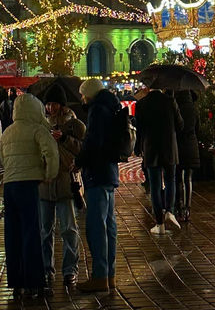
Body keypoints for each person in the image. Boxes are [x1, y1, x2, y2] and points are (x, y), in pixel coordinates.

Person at [0, 92, 59, 298]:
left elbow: (2, 158)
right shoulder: (38, 129)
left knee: (13, 234)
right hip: (29, 184)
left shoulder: (7, 131)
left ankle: (16, 283)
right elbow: (51, 152)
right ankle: (35, 283)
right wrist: (49, 175)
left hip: (10, 185)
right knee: (31, 232)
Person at [38, 84, 86, 288]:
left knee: (68, 229)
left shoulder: (75, 124)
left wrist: (64, 139)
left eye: (54, 104)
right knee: (44, 230)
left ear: (62, 104)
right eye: (48, 104)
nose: (51, 108)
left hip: (66, 182)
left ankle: (70, 271)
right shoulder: (40, 124)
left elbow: (82, 150)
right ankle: (46, 269)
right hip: (45, 183)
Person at [75, 78, 120, 294]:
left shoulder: (97, 110)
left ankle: (100, 275)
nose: (82, 99)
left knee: (96, 226)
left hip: (97, 174)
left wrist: (78, 162)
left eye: (83, 95)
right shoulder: (110, 106)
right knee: (109, 226)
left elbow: (92, 142)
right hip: (109, 172)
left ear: (90, 95)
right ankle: (109, 274)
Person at [135, 87, 184, 235]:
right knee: (170, 180)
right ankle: (170, 210)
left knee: (155, 186)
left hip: (151, 149)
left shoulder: (142, 104)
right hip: (169, 148)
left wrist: (138, 148)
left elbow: (139, 128)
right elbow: (180, 125)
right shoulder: (170, 101)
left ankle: (159, 224)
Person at [174, 89, 200, 222]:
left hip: (177, 145)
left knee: (177, 177)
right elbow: (197, 128)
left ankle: (178, 206)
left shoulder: (175, 107)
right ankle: (187, 208)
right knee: (188, 178)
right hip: (191, 145)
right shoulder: (193, 109)